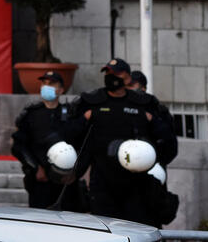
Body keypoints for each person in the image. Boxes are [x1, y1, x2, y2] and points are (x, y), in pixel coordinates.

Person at [65, 58, 177, 227]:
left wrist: (152, 121)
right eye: (108, 73)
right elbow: (70, 137)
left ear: (127, 78)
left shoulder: (143, 104)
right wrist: (83, 120)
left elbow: (168, 143)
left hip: (137, 184)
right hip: (103, 183)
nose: (111, 77)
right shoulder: (92, 102)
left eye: (116, 73)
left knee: (137, 228)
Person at [10, 70, 87, 211]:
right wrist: (35, 168)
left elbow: (84, 145)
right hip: (40, 181)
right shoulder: (31, 114)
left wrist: (76, 172)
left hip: (66, 182)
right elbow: (19, 146)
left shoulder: (71, 114)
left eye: (52, 84)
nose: (46, 86)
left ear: (61, 90)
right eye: (44, 83)